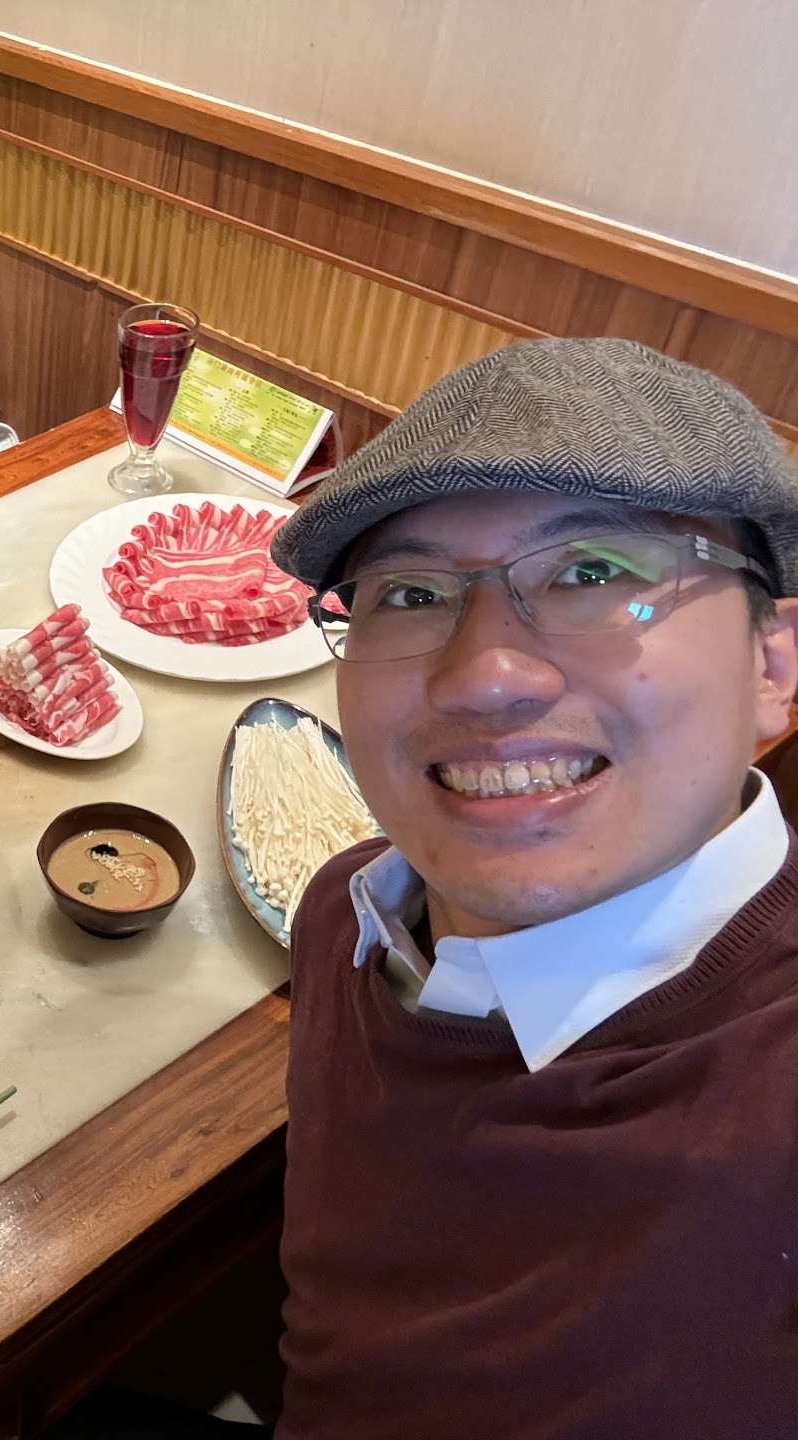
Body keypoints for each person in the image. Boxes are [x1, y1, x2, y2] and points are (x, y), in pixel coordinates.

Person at [259, 338, 798, 1437]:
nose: (486, 675)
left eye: (594, 573)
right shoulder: (350, 920)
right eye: (413, 592)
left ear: (773, 664)